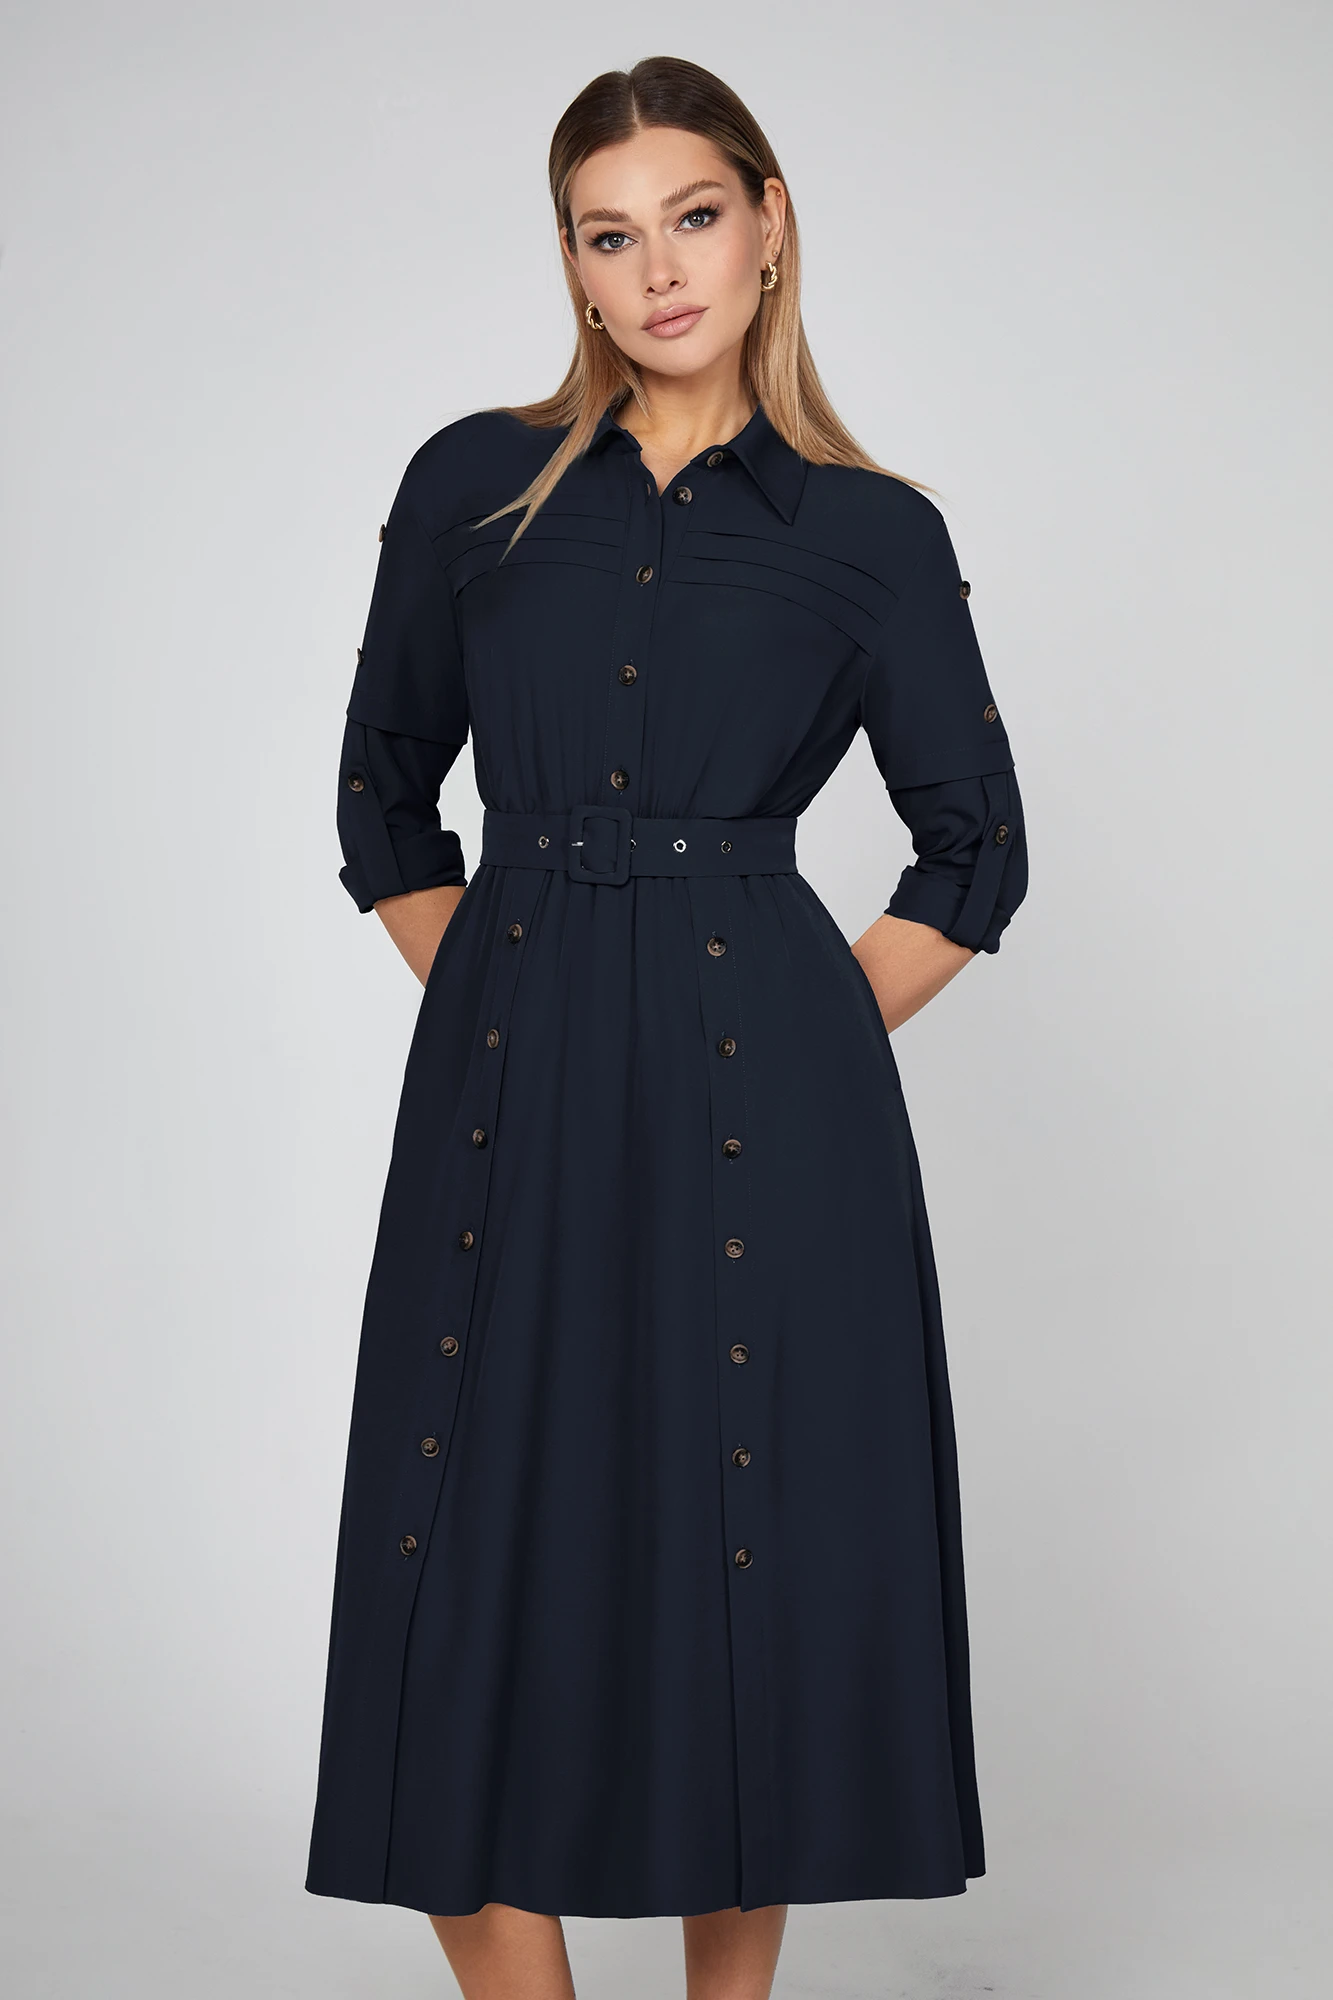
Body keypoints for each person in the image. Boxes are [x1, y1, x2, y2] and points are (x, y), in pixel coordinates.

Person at [305, 53, 1027, 2000]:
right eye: (610, 236)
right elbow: (384, 797)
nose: (660, 270)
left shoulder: (871, 531)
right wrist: (511, 1001)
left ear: (769, 222)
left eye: (693, 217)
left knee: (741, 1562)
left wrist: (799, 1035)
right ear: (571, 261)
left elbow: (977, 848)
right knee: (457, 1571)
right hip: (508, 1104)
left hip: (761, 1116)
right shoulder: (471, 487)